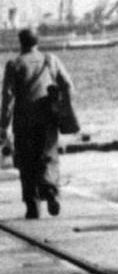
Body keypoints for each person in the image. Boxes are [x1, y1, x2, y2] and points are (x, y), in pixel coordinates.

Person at [1, 28, 71, 218]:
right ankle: (50, 191)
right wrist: (65, 110)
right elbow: (67, 84)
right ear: (37, 41)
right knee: (48, 155)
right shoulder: (50, 60)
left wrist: (3, 125)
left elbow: (7, 98)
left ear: (20, 42)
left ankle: (32, 205)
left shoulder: (14, 64)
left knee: (26, 161)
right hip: (48, 117)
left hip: (23, 120)